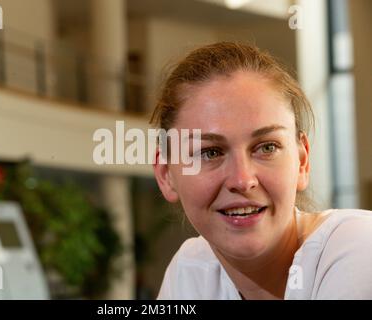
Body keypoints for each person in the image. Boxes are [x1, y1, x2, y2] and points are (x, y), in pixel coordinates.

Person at [151, 42, 372, 300]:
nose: (243, 180)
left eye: (267, 147)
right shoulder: (190, 271)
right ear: (166, 175)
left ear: (302, 161)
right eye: (210, 152)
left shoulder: (358, 246)